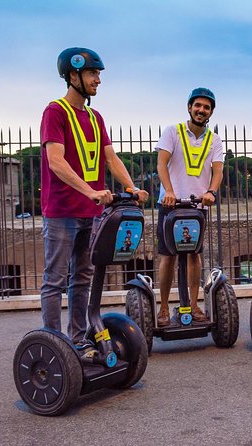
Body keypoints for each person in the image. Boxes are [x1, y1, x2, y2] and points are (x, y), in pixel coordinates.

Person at [40, 47, 149, 351]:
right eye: (92, 73)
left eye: (98, 74)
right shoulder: (55, 112)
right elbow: (56, 161)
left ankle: (76, 340)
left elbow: (109, 157)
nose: (98, 80)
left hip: (92, 213)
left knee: (83, 279)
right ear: (73, 75)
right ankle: (53, 345)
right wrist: (89, 190)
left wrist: (131, 187)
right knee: (55, 280)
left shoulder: (95, 117)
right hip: (62, 213)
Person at [155, 87, 224, 326]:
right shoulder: (172, 132)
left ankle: (194, 305)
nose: (201, 110)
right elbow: (161, 164)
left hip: (197, 207)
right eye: (198, 105)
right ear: (189, 107)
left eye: (206, 107)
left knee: (195, 256)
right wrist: (170, 191)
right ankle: (163, 308)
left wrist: (211, 192)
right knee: (168, 256)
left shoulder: (215, 140)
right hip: (170, 205)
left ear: (211, 112)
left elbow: (218, 170)